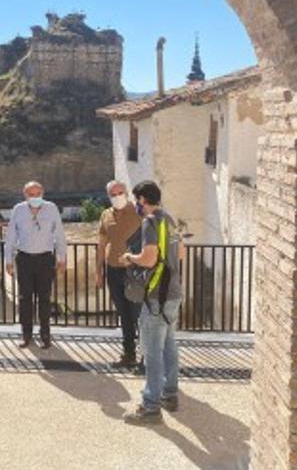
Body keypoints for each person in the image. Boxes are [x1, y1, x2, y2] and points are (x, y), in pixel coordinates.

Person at [121, 180, 183, 424]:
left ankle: (150, 407)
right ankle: (170, 395)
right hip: (174, 292)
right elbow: (181, 253)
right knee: (169, 344)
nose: (137, 205)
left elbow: (148, 259)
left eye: (137, 200)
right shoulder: (170, 219)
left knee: (152, 352)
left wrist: (129, 257)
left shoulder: (150, 221)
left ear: (143, 200)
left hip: (155, 295)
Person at [4, 181, 67, 349]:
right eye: (31, 194)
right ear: (25, 195)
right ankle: (26, 335)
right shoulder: (18, 210)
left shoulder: (51, 208)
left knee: (44, 299)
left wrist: (62, 258)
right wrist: (8, 261)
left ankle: (45, 335)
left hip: (45, 260)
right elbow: (10, 236)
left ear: (43, 193)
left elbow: (59, 234)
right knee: (25, 299)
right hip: (24, 259)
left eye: (37, 194)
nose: (35, 197)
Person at [96, 180, 143, 368]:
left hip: (134, 271)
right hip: (113, 270)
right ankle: (128, 353)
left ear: (127, 192)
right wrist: (98, 271)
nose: (117, 197)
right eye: (113, 194)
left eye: (120, 192)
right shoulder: (106, 215)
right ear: (108, 196)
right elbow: (101, 244)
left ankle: (146, 356)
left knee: (137, 314)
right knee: (123, 314)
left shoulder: (140, 213)